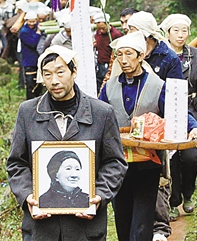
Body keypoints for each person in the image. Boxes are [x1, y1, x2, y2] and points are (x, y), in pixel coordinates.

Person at [7, 45, 128, 241]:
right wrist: (28, 195)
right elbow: (16, 163)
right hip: (41, 228)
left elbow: (115, 162)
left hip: (85, 228)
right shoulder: (28, 112)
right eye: (47, 75)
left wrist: (99, 195)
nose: (54, 81)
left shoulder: (101, 113)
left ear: (74, 72)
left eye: (60, 72)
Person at [98, 32, 197, 241]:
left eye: (129, 54)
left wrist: (193, 127)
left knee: (143, 221)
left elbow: (177, 113)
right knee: (123, 219)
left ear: (141, 56)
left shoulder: (157, 86)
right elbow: (97, 116)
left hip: (148, 162)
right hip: (118, 163)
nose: (124, 60)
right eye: (120, 55)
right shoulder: (109, 88)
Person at [160, 14, 197, 221]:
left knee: (191, 157)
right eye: (176, 30)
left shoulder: (196, 56)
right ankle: (174, 201)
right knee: (172, 157)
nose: (180, 35)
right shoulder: (162, 55)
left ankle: (188, 193)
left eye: (184, 30)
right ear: (167, 33)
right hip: (168, 111)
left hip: (192, 110)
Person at [93, 12, 123, 93]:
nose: (101, 31)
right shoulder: (98, 33)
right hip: (100, 63)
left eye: (103, 28)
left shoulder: (116, 34)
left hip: (110, 64)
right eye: (99, 29)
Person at [19, 11, 43, 100]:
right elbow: (32, 43)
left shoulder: (37, 27)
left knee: (38, 82)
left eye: (34, 21)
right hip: (29, 60)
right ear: (26, 21)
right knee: (30, 83)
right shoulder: (24, 32)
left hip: (36, 59)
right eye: (30, 22)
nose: (32, 23)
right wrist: (38, 34)